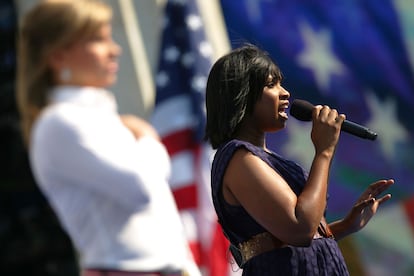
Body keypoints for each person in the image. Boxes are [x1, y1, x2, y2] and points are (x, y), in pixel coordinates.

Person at [16, 0, 200, 275]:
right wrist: (149, 139)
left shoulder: (97, 117)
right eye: (98, 40)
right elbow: (141, 189)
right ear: (58, 56)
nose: (115, 49)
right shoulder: (58, 122)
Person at [204, 44, 394, 275]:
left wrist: (344, 226)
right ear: (242, 95)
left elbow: (286, 238)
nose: (285, 93)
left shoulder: (265, 159)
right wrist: (324, 151)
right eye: (271, 84)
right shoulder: (238, 158)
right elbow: (299, 228)